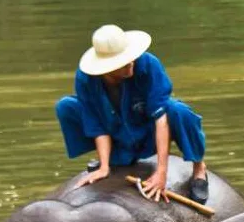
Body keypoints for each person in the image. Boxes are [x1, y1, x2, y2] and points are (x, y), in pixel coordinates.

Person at [56, 24, 210, 204]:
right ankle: (112, 158)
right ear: (106, 68)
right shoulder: (86, 79)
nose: (130, 63)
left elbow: (161, 118)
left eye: (130, 57)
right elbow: (95, 122)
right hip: (117, 129)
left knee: (178, 110)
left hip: (147, 128)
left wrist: (161, 172)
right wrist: (104, 167)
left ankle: (199, 167)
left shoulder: (148, 64)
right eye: (122, 62)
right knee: (66, 106)